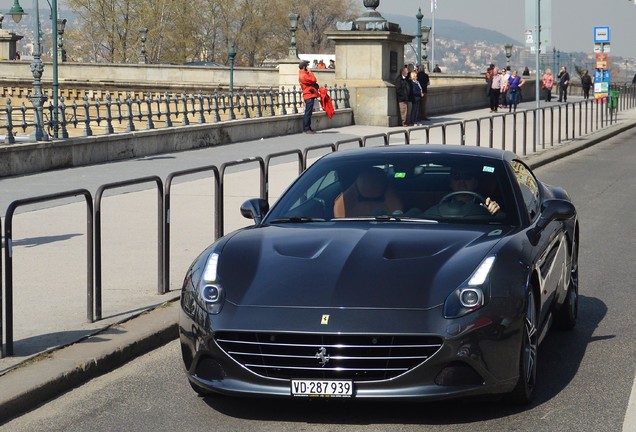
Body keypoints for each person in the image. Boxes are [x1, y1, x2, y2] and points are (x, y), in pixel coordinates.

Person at [421, 165, 501, 218]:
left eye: (467, 177)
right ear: (450, 183)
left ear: (475, 183)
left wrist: (494, 212)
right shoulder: (438, 206)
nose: (461, 181)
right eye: (456, 177)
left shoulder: (484, 206)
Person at [298, 60, 320, 134]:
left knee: (309, 112)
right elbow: (313, 79)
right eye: (306, 66)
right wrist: (310, 72)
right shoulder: (303, 75)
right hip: (308, 95)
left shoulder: (303, 74)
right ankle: (306, 128)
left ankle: (308, 128)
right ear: (304, 67)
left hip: (309, 94)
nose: (308, 67)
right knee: (308, 113)